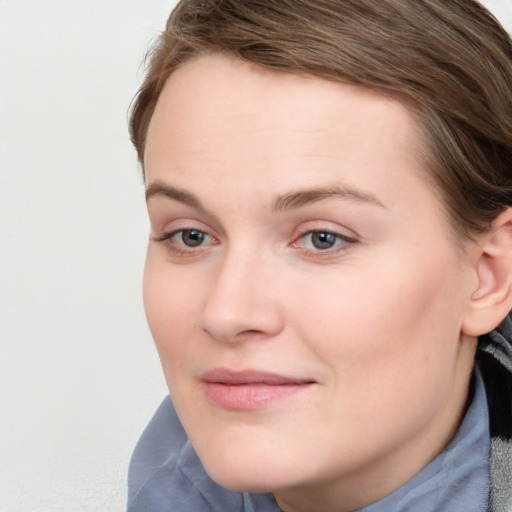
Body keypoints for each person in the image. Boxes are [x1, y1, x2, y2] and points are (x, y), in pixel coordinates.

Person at [126, 1, 512, 511]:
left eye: (322, 238)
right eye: (191, 236)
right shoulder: (167, 481)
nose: (227, 313)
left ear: (489, 275)